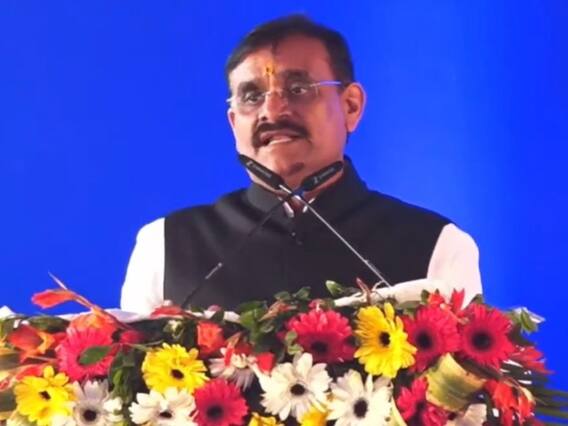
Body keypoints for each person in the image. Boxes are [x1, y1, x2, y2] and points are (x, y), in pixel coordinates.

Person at [121, 15, 482, 314]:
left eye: (298, 89)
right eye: (251, 96)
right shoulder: (167, 245)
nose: (272, 111)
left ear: (351, 106)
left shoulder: (435, 244)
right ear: (233, 123)